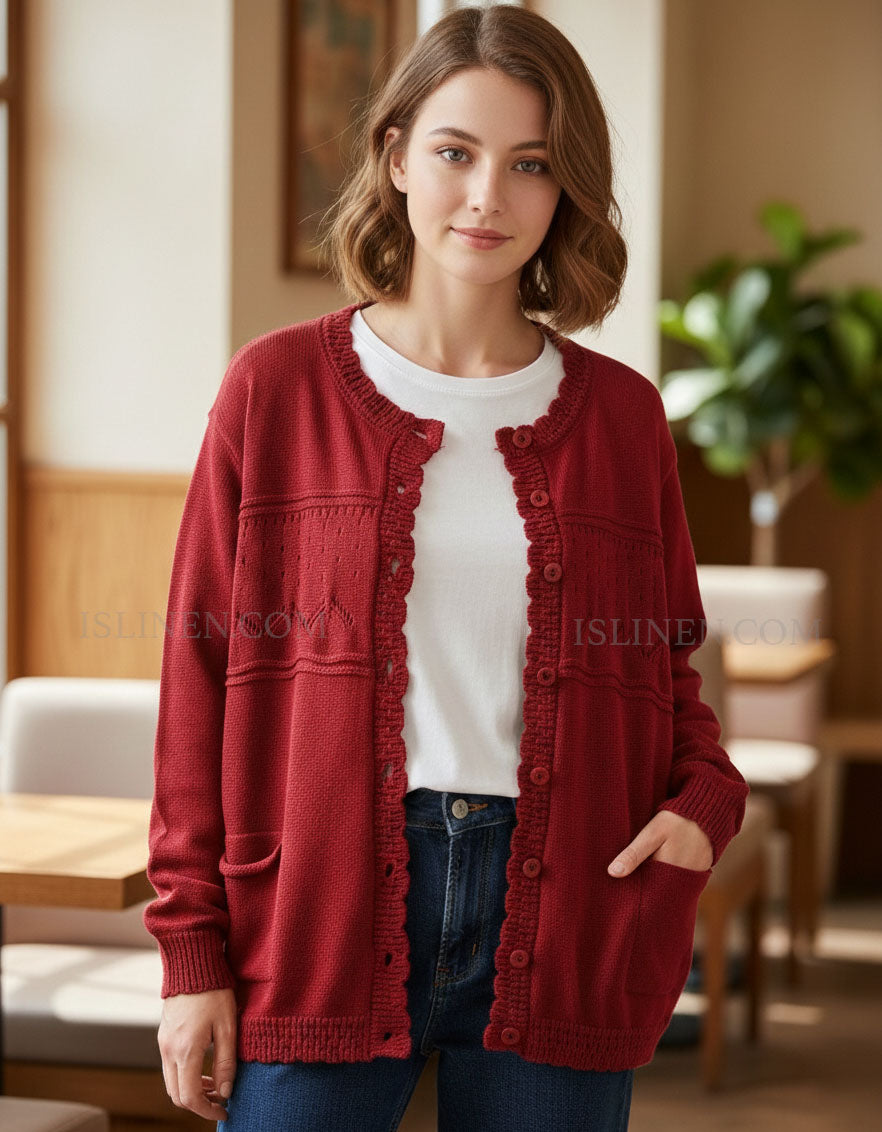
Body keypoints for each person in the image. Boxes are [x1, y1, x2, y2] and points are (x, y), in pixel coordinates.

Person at [144, 5, 750, 1129]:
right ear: (395, 156)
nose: (487, 198)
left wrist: (708, 802)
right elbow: (201, 676)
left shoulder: (622, 418)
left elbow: (666, 668)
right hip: (317, 906)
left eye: (530, 165)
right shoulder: (276, 391)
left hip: (568, 900)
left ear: (566, 186)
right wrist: (191, 953)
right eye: (456, 153)